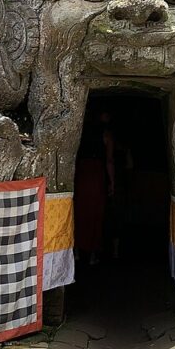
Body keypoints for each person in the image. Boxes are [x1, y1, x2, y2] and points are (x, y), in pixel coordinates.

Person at [74, 109, 115, 266]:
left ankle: (76, 251)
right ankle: (92, 254)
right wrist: (112, 182)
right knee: (95, 214)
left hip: (81, 174)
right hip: (96, 174)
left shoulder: (80, 130)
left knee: (79, 212)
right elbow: (109, 160)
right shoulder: (107, 134)